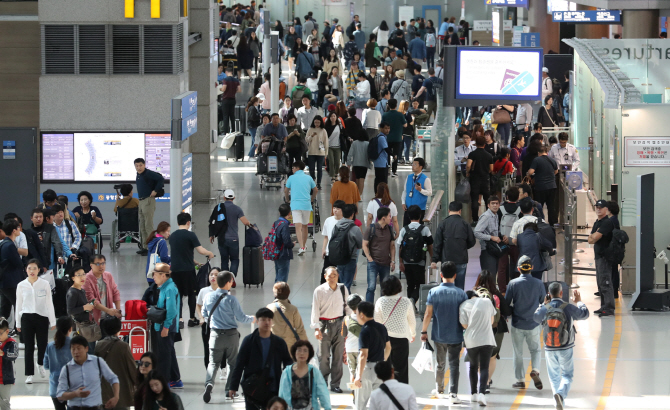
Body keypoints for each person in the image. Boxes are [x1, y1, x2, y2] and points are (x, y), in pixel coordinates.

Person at [202, 271, 256, 403]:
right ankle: (229, 391)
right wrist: (254, 319)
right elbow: (241, 317)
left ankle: (209, 384)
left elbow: (204, 313)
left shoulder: (208, 296)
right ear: (228, 283)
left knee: (213, 362)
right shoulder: (231, 299)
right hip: (231, 335)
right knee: (233, 363)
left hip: (215, 334)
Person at [534, 284, 589, 410]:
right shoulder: (568, 307)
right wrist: (579, 301)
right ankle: (561, 394)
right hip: (565, 347)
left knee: (554, 377)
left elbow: (536, 317)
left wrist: (542, 305)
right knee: (567, 375)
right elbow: (585, 314)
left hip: (549, 347)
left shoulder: (546, 307)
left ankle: (558, 403)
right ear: (561, 293)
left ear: (549, 293)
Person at [228, 308, 293, 410]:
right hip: (253, 388)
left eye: (269, 319)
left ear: (272, 321)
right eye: (263, 320)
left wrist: (290, 383)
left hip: (273, 387)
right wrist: (233, 386)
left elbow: (288, 363)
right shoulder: (249, 341)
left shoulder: (279, 342)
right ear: (257, 322)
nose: (266, 322)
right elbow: (239, 364)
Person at [505, 255, 546, 390]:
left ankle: (520, 380)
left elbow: (506, 303)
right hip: (534, 323)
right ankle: (535, 369)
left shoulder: (513, 283)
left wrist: (507, 313)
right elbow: (543, 302)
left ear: (518, 268)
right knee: (535, 350)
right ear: (532, 268)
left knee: (518, 352)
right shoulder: (539, 283)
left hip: (517, 323)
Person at [310, 267, 351, 393]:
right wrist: (316, 328)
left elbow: (348, 307)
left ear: (338, 276)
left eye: (335, 275)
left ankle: (335, 384)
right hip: (324, 325)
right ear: (325, 276)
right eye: (330, 275)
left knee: (338, 356)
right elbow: (315, 310)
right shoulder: (319, 291)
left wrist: (349, 325)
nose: (332, 277)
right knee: (323, 356)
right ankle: (322, 383)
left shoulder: (343, 289)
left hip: (340, 324)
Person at [170, 213, 215, 327]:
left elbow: (181, 253)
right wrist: (210, 253)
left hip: (175, 269)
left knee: (178, 294)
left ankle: (179, 319)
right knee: (191, 294)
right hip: (188, 270)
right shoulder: (190, 235)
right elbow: (200, 250)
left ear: (177, 222)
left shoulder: (172, 236)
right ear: (188, 223)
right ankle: (191, 318)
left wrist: (195, 262)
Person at [16, 258, 56, 384]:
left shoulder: (44, 284)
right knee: (28, 346)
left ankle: (40, 364)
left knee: (42, 344)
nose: (32, 271)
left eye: (34, 268)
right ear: (26, 270)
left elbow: (49, 303)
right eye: (29, 268)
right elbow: (18, 304)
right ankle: (29, 374)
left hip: (42, 317)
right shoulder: (21, 285)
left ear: (39, 270)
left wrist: (53, 321)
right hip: (26, 318)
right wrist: (18, 322)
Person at [56, 335, 120, 408]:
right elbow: (59, 395)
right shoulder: (66, 368)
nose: (76, 352)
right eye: (73, 349)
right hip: (74, 407)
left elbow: (113, 378)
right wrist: (75, 394)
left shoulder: (98, 362)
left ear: (86, 348)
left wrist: (116, 397)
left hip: (94, 407)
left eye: (79, 348)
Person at [373, 276, 415, 384]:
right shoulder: (406, 301)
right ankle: (402, 390)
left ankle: (387, 388)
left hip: (385, 339)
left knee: (386, 366)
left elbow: (377, 321)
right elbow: (411, 320)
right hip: (402, 338)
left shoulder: (380, 301)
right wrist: (413, 333)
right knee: (402, 367)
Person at [459, 290, 496, 406]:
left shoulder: (463, 305)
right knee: (484, 367)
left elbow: (464, 325)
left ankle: (473, 394)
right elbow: (492, 321)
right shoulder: (486, 301)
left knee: (473, 366)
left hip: (471, 340)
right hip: (487, 339)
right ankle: (482, 394)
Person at [353, 301, 391, 410]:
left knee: (361, 404)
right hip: (380, 369)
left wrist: (358, 376)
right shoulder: (382, 327)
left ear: (361, 315)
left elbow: (363, 355)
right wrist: (383, 360)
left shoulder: (364, 331)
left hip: (367, 369)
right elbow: (388, 347)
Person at [430, 201, 475, 290]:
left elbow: (437, 243)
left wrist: (434, 259)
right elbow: (472, 241)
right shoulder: (465, 224)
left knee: (445, 286)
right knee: (460, 286)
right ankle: (459, 303)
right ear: (460, 211)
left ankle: (446, 302)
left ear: (449, 210)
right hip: (461, 259)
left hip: (446, 259)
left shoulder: (443, 223)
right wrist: (463, 247)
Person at [150, 263, 182, 387]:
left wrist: (166, 327)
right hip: (163, 325)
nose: (153, 277)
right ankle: (175, 378)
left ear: (163, 276)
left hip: (166, 327)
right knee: (169, 352)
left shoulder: (169, 288)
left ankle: (165, 381)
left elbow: (172, 310)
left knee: (164, 355)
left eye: (155, 275)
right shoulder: (164, 287)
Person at [95, 316, 138, 409]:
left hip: (104, 392)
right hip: (121, 392)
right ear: (119, 329)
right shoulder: (124, 346)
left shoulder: (99, 345)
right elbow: (132, 368)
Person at [278, 340, 331, 410]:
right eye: (299, 350)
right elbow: (281, 394)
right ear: (294, 353)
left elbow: (323, 392)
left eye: (305, 351)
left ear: (309, 354)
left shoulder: (314, 372)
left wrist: (327, 407)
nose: (302, 353)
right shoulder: (287, 372)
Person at [397, 205, 433, 305]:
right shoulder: (425, 229)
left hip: (407, 261)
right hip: (420, 261)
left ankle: (410, 305)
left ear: (408, 216)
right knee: (420, 284)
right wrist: (432, 259)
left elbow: (399, 247)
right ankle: (413, 300)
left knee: (410, 284)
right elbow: (430, 245)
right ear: (420, 215)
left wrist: (400, 262)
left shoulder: (404, 230)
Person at [210, 190, 250, 279]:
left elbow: (212, 222)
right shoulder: (237, 209)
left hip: (221, 238)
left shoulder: (218, 208)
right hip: (233, 239)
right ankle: (232, 278)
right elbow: (245, 222)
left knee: (224, 260)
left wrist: (212, 235)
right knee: (234, 259)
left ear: (224, 198)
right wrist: (250, 224)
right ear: (234, 198)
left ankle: (225, 279)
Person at [587, 200, 616, 317]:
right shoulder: (597, 223)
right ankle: (603, 306)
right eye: (597, 207)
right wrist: (595, 236)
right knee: (600, 282)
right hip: (598, 256)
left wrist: (595, 236)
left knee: (605, 282)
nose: (598, 209)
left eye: (601, 207)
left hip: (604, 256)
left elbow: (595, 237)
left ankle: (609, 308)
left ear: (606, 209)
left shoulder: (607, 223)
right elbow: (590, 239)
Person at [285, 160, 318, 254]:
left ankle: (302, 247)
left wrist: (287, 200)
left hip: (295, 205)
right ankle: (304, 245)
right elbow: (315, 190)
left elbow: (286, 191)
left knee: (297, 226)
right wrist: (312, 199)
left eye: (293, 168)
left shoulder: (291, 178)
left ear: (297, 168)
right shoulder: (308, 178)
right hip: (306, 204)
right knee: (305, 226)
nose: (292, 169)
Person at [362, 207, 395, 303]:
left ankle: (382, 307)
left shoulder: (389, 228)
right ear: (383, 218)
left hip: (385, 263)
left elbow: (392, 245)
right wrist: (369, 258)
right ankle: (368, 308)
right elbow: (364, 244)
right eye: (389, 216)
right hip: (373, 263)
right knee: (371, 287)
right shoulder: (371, 228)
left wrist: (392, 261)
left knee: (385, 288)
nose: (390, 218)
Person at [134, 158, 165, 255]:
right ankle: (145, 247)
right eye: (137, 166)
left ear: (144, 165)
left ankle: (152, 248)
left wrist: (155, 190)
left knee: (148, 225)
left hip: (148, 200)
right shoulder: (139, 175)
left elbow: (161, 179)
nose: (139, 168)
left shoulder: (148, 173)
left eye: (140, 165)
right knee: (142, 225)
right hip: (141, 201)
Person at [0, 220, 27, 327]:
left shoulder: (3, 244)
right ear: (14, 230)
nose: (20, 229)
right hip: (11, 282)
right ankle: (18, 329)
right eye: (18, 228)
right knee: (18, 305)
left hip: (4, 282)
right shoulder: (10, 246)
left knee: (5, 308)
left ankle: (3, 330)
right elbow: (18, 263)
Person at [44, 316, 73, 410]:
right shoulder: (75, 345)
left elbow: (46, 365)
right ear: (70, 329)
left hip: (55, 388)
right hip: (72, 388)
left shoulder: (50, 345)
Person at [267, 282, 307, 350]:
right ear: (288, 293)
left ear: (275, 294)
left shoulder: (269, 308)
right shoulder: (293, 309)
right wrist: (305, 345)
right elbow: (300, 329)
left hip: (273, 344)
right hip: (289, 345)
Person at [84, 255, 122, 326]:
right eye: (98, 264)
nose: (101, 266)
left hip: (108, 317)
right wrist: (108, 310)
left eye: (103, 263)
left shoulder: (108, 275)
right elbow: (92, 301)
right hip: (94, 319)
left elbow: (115, 293)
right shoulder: (86, 279)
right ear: (91, 265)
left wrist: (118, 310)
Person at [332, 204, 363, 290]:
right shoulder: (355, 228)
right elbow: (360, 244)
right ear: (352, 214)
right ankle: (346, 301)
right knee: (347, 285)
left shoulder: (336, 226)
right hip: (350, 258)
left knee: (341, 283)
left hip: (339, 258)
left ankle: (340, 301)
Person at [196, 268, 222, 370]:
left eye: (216, 275)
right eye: (211, 274)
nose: (213, 277)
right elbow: (198, 305)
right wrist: (201, 318)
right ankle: (208, 368)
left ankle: (223, 367)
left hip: (220, 324)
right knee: (207, 347)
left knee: (221, 347)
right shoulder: (203, 291)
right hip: (207, 323)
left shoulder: (224, 291)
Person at [497, 187, 521, 293]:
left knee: (502, 266)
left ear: (506, 197)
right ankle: (515, 287)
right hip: (515, 242)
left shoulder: (500, 209)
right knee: (516, 264)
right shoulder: (520, 210)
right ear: (518, 197)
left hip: (503, 241)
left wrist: (502, 237)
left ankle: (502, 289)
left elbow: (496, 225)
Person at [527, 145, 559, 226]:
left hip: (540, 187)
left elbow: (531, 172)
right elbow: (556, 172)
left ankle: (540, 223)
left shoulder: (537, 160)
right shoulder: (552, 160)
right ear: (547, 152)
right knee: (551, 206)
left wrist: (528, 174)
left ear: (538, 153)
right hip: (552, 186)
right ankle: (553, 224)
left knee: (538, 206)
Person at [27, 208, 64, 273]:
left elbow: (56, 242)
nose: (39, 219)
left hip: (49, 261)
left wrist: (60, 255)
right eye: (36, 217)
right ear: (31, 218)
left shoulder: (50, 228)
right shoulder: (29, 232)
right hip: (35, 262)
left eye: (40, 217)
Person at [474, 196, 502, 275]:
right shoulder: (486, 216)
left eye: (497, 203)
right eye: (492, 203)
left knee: (492, 275)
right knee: (489, 276)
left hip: (494, 250)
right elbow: (476, 232)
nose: (495, 205)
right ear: (488, 205)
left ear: (499, 205)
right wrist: (491, 237)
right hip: (487, 251)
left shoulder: (495, 215)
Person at [401, 157, 432, 225]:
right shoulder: (409, 177)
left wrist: (421, 190)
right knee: (406, 228)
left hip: (419, 209)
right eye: (412, 164)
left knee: (418, 230)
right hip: (408, 208)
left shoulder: (426, 179)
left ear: (421, 167)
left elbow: (429, 193)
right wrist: (403, 202)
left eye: (415, 164)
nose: (413, 166)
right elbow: (405, 191)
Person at [381, 99, 406, 178]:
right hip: (397, 138)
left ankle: (387, 169)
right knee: (395, 154)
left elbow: (382, 125)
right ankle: (394, 171)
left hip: (387, 138)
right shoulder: (400, 115)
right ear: (396, 105)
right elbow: (405, 125)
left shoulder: (385, 115)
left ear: (388, 105)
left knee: (387, 153)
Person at [0, 318, 17, 410]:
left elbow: (14, 355)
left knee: (5, 403)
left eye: (0, 333)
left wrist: (3, 353)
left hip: (5, 379)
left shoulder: (12, 343)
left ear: (7, 331)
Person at [220, 67, 241, 133]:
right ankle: (233, 130)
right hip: (233, 100)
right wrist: (233, 91)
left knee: (225, 116)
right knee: (232, 116)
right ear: (232, 72)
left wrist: (220, 89)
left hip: (226, 100)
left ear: (226, 72)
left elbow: (223, 89)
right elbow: (239, 90)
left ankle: (226, 132)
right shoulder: (236, 80)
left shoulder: (225, 80)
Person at [607, 201, 621, 298]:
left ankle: (614, 291)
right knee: (613, 270)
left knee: (613, 270)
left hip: (612, 248)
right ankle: (613, 290)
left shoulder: (612, 221)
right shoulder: (614, 220)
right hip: (614, 248)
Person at [372, 122, 391, 192]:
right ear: (381, 128)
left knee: (378, 179)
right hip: (381, 162)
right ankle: (380, 193)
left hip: (380, 162)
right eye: (386, 128)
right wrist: (393, 155)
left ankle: (378, 193)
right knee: (382, 180)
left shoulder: (380, 136)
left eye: (389, 128)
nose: (387, 130)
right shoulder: (381, 138)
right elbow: (386, 149)